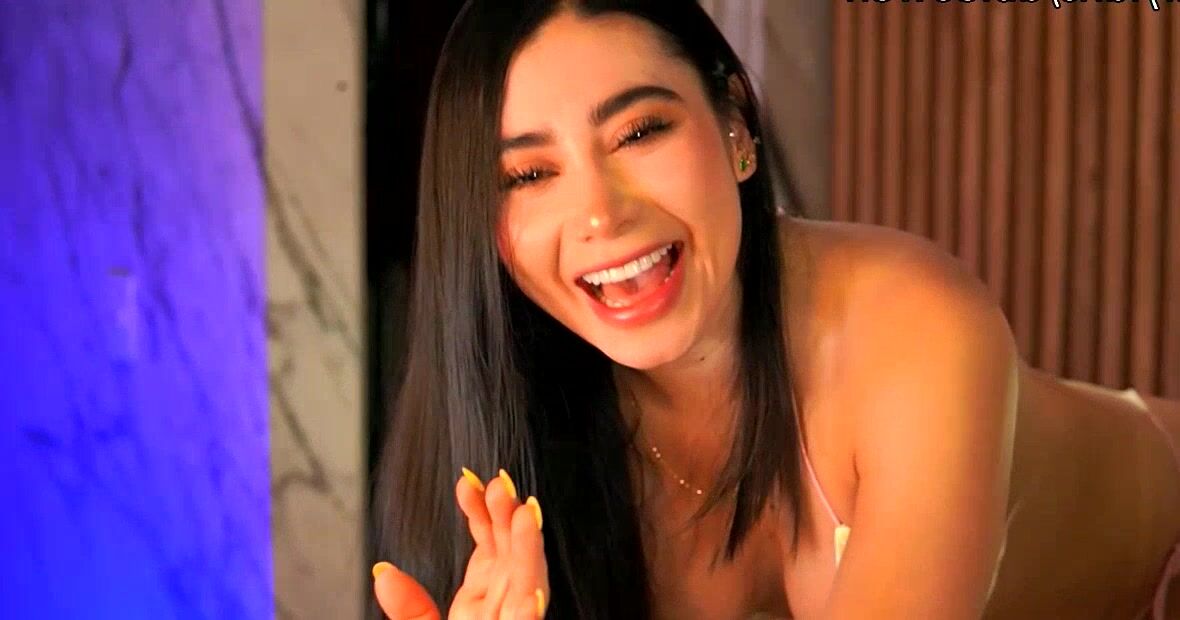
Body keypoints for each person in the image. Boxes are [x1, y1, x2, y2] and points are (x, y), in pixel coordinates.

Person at [368, 1, 1180, 617]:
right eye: (528, 176)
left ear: (735, 127)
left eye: (639, 132)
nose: (600, 216)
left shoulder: (911, 323)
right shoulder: (512, 440)